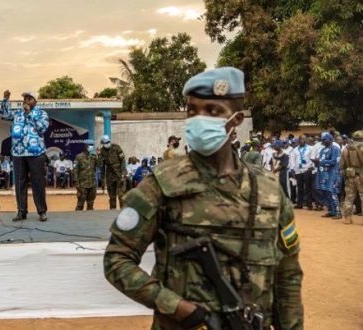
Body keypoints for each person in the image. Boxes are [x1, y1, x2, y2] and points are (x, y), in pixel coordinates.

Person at [104, 67, 303, 329]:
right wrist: (177, 307)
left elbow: (287, 275)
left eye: (212, 111)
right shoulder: (162, 183)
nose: (199, 119)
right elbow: (117, 259)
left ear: (236, 119)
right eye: (192, 111)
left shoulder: (269, 191)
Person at [0, 90, 49, 222]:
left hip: (36, 153)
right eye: (24, 98)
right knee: (20, 183)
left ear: (35, 101)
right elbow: (4, 114)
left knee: (37, 183)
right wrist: (5, 100)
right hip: (18, 153)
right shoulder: (17, 114)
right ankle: (22, 212)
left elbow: (42, 129)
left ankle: (42, 211)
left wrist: (29, 114)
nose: (26, 101)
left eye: (29, 98)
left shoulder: (42, 114)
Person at [315, 132, 342, 219]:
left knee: (332, 192)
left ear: (330, 140)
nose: (323, 141)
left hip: (332, 174)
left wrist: (321, 162)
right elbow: (320, 161)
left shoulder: (335, 149)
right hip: (323, 174)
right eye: (322, 140)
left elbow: (334, 162)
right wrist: (316, 162)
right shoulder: (322, 150)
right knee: (325, 193)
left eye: (325, 140)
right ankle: (331, 211)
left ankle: (338, 212)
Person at [340, 130, 363, 224]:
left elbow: (341, 165)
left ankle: (347, 218)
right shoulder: (361, 148)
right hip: (361, 175)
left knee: (349, 197)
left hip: (350, 175)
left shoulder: (346, 149)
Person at [98, 135, 126, 209]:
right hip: (109, 175)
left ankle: (122, 211)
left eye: (107, 142)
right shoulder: (102, 151)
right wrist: (102, 179)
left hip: (119, 174)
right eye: (105, 143)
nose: (106, 144)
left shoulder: (116, 147)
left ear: (109, 141)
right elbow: (102, 166)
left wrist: (123, 173)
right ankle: (112, 212)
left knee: (121, 195)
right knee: (112, 196)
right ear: (102, 143)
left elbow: (123, 161)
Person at [73, 139, 98, 210]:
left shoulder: (93, 157)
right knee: (80, 204)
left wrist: (99, 156)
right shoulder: (79, 157)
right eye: (90, 145)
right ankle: (77, 218)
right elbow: (75, 170)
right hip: (82, 185)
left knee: (91, 204)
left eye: (92, 145)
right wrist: (77, 184)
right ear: (85, 146)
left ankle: (89, 219)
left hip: (92, 184)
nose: (92, 147)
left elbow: (100, 165)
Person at [290, 136, 314, 210]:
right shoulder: (295, 150)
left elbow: (313, 157)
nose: (301, 140)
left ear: (305, 140)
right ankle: (299, 204)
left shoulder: (310, 148)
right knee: (299, 188)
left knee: (308, 188)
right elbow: (292, 160)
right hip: (298, 171)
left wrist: (312, 166)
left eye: (303, 139)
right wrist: (292, 170)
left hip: (307, 170)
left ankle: (309, 204)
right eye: (300, 139)